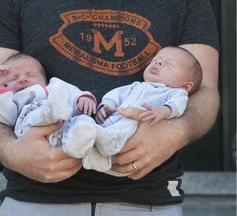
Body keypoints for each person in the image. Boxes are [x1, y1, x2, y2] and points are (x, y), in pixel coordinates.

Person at [0, 0, 219, 215]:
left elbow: (204, 90)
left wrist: (175, 132)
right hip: (34, 200)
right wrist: (10, 150)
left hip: (148, 200)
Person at [83, 46, 202, 175]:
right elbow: (116, 95)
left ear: (185, 86)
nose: (158, 62)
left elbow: (178, 105)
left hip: (133, 135)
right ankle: (92, 155)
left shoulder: (174, 93)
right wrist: (106, 105)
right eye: (155, 60)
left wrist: (163, 111)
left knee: (126, 124)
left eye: (169, 64)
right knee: (96, 133)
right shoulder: (136, 86)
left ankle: (97, 139)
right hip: (114, 122)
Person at [0, 53, 98, 159]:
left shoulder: (54, 86)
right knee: (39, 113)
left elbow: (72, 92)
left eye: (31, 75)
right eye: (13, 78)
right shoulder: (14, 100)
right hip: (32, 130)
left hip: (65, 129)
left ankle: (80, 140)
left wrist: (83, 98)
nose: (22, 79)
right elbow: (4, 115)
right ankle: (52, 111)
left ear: (45, 80)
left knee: (84, 120)